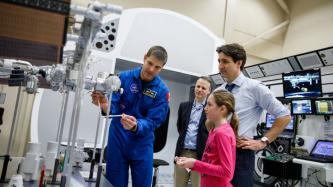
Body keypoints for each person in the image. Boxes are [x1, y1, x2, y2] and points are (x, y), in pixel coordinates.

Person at [91, 46, 170, 187]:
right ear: (145, 57)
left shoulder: (162, 91)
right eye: (150, 63)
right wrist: (104, 105)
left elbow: (154, 121)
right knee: (114, 184)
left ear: (162, 68)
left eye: (157, 67)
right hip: (118, 140)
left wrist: (136, 125)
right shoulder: (123, 78)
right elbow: (112, 108)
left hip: (142, 144)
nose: (151, 69)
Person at [215, 43, 291, 187]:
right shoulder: (218, 92)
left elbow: (284, 116)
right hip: (217, 151)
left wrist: (262, 142)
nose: (220, 66)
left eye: (225, 61)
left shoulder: (254, 88)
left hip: (239, 154)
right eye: (219, 61)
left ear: (239, 63)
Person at [176, 90, 238, 187]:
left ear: (222, 109)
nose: (205, 108)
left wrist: (195, 164)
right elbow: (210, 162)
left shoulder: (222, 134)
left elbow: (227, 172)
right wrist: (189, 162)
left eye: (209, 105)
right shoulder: (214, 130)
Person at [174, 76, 211, 187]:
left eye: (203, 88)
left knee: (198, 185)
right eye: (198, 86)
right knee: (178, 185)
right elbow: (180, 127)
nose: (199, 89)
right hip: (182, 152)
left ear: (209, 91)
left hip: (201, 155)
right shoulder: (184, 106)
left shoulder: (210, 110)